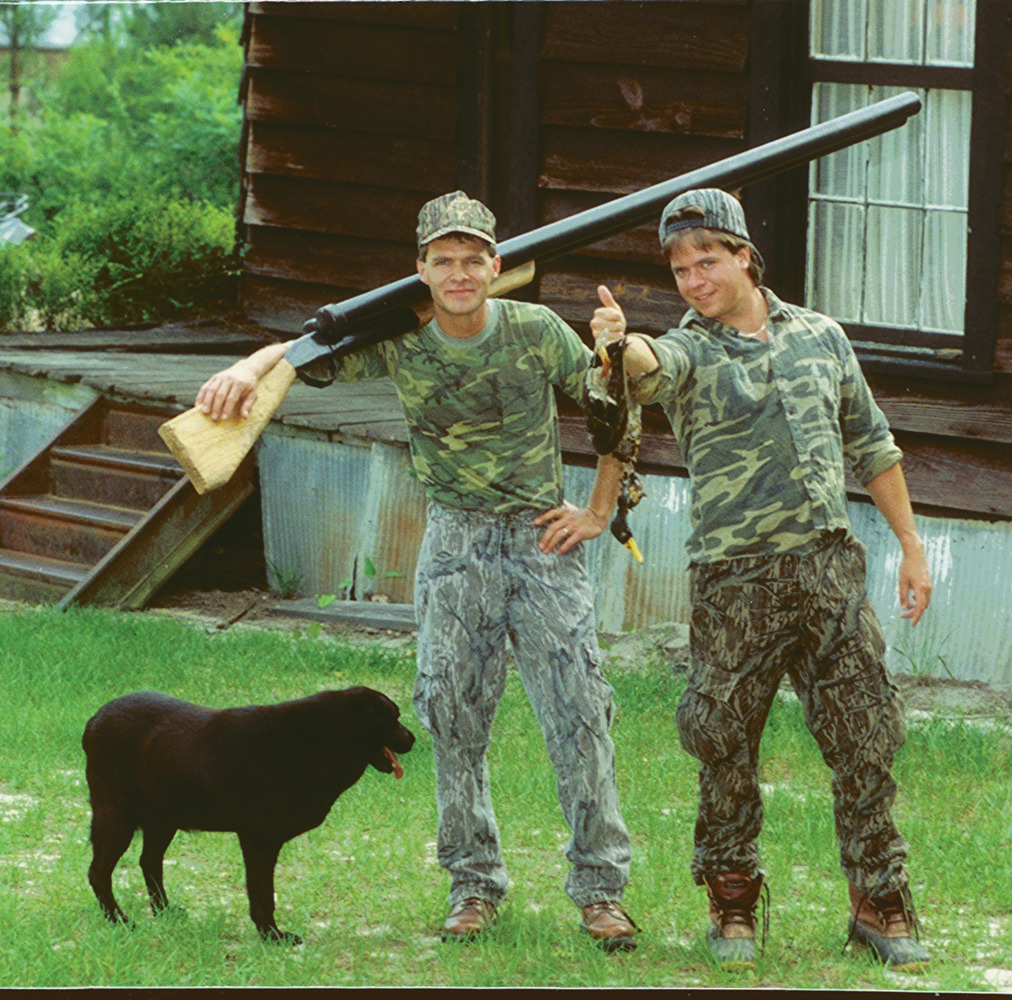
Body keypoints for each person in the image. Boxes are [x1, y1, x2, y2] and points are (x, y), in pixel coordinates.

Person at [195, 191, 639, 951]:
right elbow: (305, 353)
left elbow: (617, 413)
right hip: (454, 545)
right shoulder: (400, 339)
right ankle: (473, 885)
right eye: (444, 260)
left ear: (497, 267)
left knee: (579, 718)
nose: (460, 273)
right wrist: (249, 363)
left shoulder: (535, 331)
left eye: (474, 260)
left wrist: (598, 510)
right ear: (421, 269)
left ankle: (601, 892)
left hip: (542, 543)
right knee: (454, 719)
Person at [589, 188, 933, 972]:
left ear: (745, 255)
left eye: (706, 260)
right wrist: (619, 345)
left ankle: (879, 903)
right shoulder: (688, 349)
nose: (694, 280)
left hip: (828, 569)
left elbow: (873, 446)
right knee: (724, 741)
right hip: (736, 582)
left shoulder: (821, 337)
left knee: (867, 735)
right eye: (679, 268)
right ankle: (733, 902)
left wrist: (911, 546)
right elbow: (647, 369)